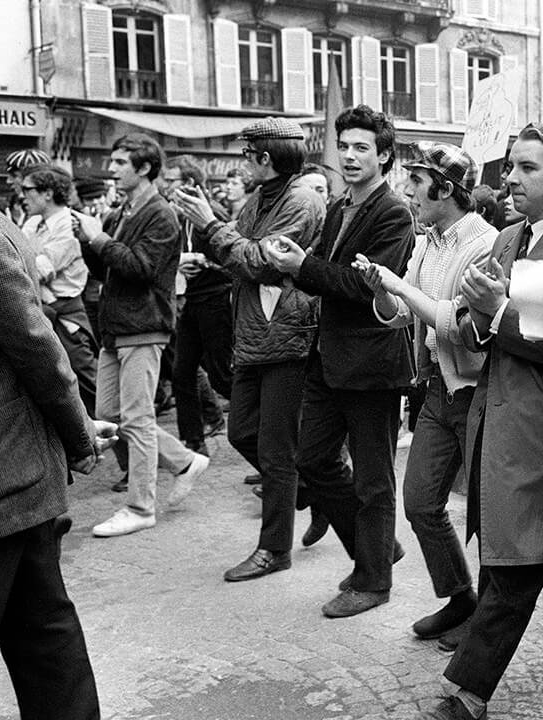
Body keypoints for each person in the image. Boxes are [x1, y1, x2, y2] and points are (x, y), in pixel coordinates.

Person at [416, 122, 543, 720]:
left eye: (527, 168)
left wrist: (493, 308)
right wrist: (477, 314)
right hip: (499, 418)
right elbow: (478, 333)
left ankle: (465, 694)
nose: (511, 178)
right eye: (510, 167)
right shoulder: (505, 238)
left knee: (514, 562)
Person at [264, 105, 415, 619]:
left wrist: (303, 265)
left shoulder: (393, 213)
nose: (349, 157)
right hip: (330, 359)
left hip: (371, 364)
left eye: (361, 148)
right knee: (311, 459)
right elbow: (328, 273)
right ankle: (377, 547)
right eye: (344, 146)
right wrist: (296, 262)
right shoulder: (338, 208)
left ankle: (373, 580)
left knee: (374, 479)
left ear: (384, 156)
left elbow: (367, 286)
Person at [174, 117, 326, 581]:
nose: (243, 162)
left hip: (287, 334)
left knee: (277, 453)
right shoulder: (260, 198)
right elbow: (241, 257)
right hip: (256, 334)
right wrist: (213, 260)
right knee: (242, 432)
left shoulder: (301, 200)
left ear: (265, 158)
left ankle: (273, 550)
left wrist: (211, 226)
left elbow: (261, 262)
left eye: (247, 154)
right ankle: (320, 488)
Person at [0, 200, 118, 720]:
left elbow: (33, 342)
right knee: (48, 648)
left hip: (3, 482)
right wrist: (77, 432)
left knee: (48, 647)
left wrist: (77, 432)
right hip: (10, 479)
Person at [356, 141, 496, 641]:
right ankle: (462, 598)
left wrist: (398, 286)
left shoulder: (485, 243)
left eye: (416, 180)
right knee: (418, 503)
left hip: (480, 394)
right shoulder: (428, 239)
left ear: (446, 188)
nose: (408, 190)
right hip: (438, 389)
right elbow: (398, 317)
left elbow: (458, 324)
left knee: (487, 517)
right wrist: (382, 290)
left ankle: (491, 620)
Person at [74, 133, 211, 538]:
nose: (111, 169)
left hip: (144, 326)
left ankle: (140, 506)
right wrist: (90, 242)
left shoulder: (160, 215)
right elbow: (106, 270)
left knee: (136, 418)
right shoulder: (123, 211)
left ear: (144, 168)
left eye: (119, 162)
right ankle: (184, 461)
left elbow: (140, 268)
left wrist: (98, 238)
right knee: (112, 418)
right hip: (117, 327)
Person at [163, 155, 232, 455]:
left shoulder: (211, 212)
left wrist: (203, 263)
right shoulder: (179, 215)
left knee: (222, 374)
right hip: (194, 300)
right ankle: (194, 441)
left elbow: (232, 258)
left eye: (171, 181)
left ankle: (260, 433)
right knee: (182, 372)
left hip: (216, 300)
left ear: (190, 183)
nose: (165, 186)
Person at [18, 164, 99, 417]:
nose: (22, 195)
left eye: (27, 189)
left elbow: (41, 268)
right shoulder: (32, 223)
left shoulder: (72, 223)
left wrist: (26, 260)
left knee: (88, 381)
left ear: (48, 193)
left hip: (66, 311)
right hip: (42, 308)